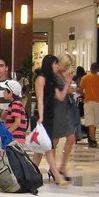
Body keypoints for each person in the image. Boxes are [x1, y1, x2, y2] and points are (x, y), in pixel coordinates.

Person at [32, 54, 69, 185]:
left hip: (50, 117)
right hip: (42, 117)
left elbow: (60, 97)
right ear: (50, 65)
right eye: (55, 64)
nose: (57, 66)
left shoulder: (52, 80)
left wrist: (67, 83)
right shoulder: (40, 79)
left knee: (39, 150)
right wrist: (41, 117)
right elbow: (40, 100)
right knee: (48, 147)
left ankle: (30, 174)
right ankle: (57, 176)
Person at [80, 63, 99, 147]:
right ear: (97, 70)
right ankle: (92, 138)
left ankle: (92, 140)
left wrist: (84, 95)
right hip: (97, 102)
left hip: (88, 102)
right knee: (95, 122)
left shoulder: (85, 78)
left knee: (90, 122)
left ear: (90, 69)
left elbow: (80, 89)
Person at [2, 79, 27, 145]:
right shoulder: (16, 104)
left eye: (5, 90)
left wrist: (7, 133)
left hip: (15, 139)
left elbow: (17, 122)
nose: (3, 92)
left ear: (10, 92)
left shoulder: (15, 104)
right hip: (16, 138)